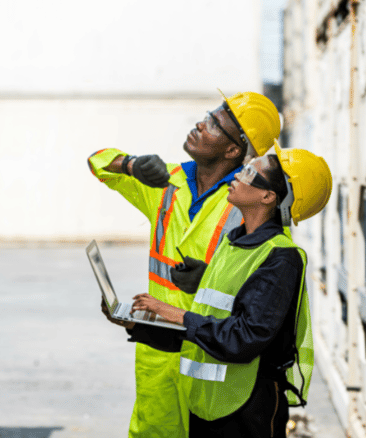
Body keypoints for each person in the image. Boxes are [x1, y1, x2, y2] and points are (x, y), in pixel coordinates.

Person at [88, 91, 281, 438]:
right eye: (207, 115)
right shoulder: (165, 181)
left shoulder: (246, 201)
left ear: (233, 150)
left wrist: (209, 278)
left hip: (211, 354)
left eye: (212, 124)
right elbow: (98, 162)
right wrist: (130, 164)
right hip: (158, 352)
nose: (199, 124)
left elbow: (265, 293)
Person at [121, 141, 332, 437]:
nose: (236, 176)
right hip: (207, 404)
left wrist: (175, 313)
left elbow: (243, 338)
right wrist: (140, 327)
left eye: (247, 173)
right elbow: (206, 327)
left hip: (245, 410)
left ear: (268, 196)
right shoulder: (233, 242)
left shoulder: (280, 257)